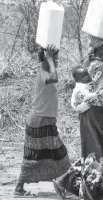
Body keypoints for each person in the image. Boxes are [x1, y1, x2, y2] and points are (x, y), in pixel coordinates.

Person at [53, 37, 103, 200]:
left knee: (94, 149)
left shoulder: (89, 63)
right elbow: (100, 94)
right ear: (101, 47)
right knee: (101, 150)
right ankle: (98, 192)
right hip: (97, 113)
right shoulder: (101, 66)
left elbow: (94, 89)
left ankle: (66, 181)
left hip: (88, 114)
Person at [13, 45, 71, 197]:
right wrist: (50, 59)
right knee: (43, 155)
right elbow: (55, 77)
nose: (57, 61)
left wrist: (47, 57)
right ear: (46, 59)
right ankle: (20, 188)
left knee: (52, 154)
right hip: (39, 121)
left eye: (56, 58)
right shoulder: (43, 73)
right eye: (55, 58)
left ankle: (64, 184)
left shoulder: (43, 70)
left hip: (43, 121)